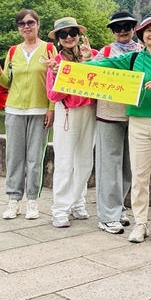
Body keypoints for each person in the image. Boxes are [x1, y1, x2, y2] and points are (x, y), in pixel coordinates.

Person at [91, 13, 151, 244]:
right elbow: (102, 65)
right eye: (148, 30)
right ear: (142, 34)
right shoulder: (132, 58)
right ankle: (140, 224)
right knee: (139, 176)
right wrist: (68, 68)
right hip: (138, 121)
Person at [0, 9, 55, 220]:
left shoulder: (49, 48)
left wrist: (51, 108)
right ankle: (13, 199)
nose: (26, 26)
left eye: (30, 22)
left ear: (38, 24)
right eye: (21, 23)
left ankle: (33, 201)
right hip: (14, 109)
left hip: (39, 110)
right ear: (18, 28)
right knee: (14, 156)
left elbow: (54, 81)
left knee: (36, 157)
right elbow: (7, 82)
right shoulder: (13, 51)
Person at [45, 17, 98, 228]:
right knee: (65, 161)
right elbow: (52, 95)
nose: (69, 37)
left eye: (72, 33)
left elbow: (103, 82)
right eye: (63, 34)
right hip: (67, 112)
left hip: (90, 110)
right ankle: (60, 209)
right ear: (58, 38)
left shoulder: (92, 55)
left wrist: (89, 62)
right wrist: (59, 75)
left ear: (79, 34)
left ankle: (78, 201)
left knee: (85, 160)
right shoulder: (55, 62)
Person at [91, 11, 140, 234]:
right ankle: (107, 216)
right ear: (112, 31)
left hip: (135, 115)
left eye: (126, 26)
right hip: (109, 114)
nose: (122, 31)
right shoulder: (105, 53)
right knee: (109, 165)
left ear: (133, 29)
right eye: (117, 27)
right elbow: (88, 74)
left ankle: (119, 208)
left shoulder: (143, 51)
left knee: (129, 166)